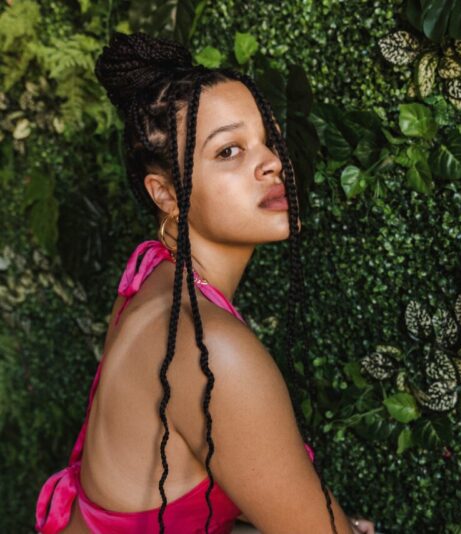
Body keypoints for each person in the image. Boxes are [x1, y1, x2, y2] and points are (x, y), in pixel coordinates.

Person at [34, 32, 375, 534]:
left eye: (271, 139)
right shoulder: (208, 349)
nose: (274, 162)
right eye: (230, 151)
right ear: (167, 194)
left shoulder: (152, 274)